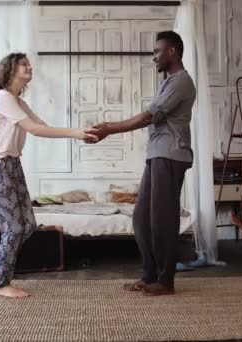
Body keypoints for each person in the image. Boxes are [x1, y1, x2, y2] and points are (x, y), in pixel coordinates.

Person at [87, 31, 196, 296]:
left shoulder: (181, 81)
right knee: (141, 218)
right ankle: (149, 276)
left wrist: (109, 128)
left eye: (158, 51)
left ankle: (165, 281)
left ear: (172, 51)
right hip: (158, 154)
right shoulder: (168, 81)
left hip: (170, 154)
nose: (154, 56)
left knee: (162, 219)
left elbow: (148, 117)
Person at [0, 53, 98, 298]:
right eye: (24, 64)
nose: (29, 67)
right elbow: (34, 129)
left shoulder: (18, 102)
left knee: (28, 225)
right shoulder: (2, 97)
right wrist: (77, 134)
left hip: (12, 165)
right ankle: (2, 284)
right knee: (13, 228)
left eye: (28, 63)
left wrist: (79, 132)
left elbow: (41, 127)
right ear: (10, 69)